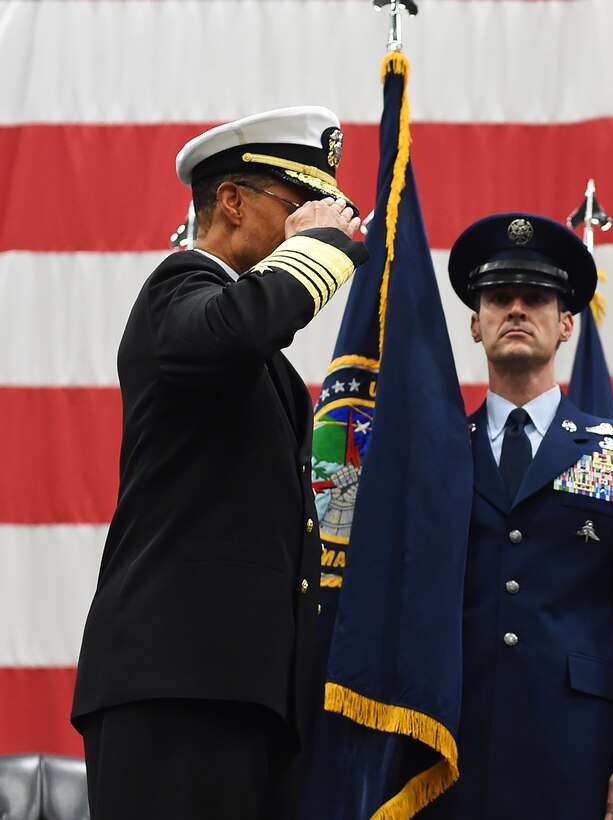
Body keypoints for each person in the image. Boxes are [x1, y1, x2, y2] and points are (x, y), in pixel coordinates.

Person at [70, 106, 368, 820]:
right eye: (299, 205)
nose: (316, 220)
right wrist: (321, 251)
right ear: (231, 201)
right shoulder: (176, 291)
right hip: (176, 689)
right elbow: (231, 328)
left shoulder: (263, 363)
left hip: (247, 696)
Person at [421, 213, 613, 820]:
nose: (516, 310)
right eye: (498, 299)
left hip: (578, 751)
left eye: (536, 298)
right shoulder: (437, 456)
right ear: (475, 322)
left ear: (567, 323)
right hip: (450, 749)